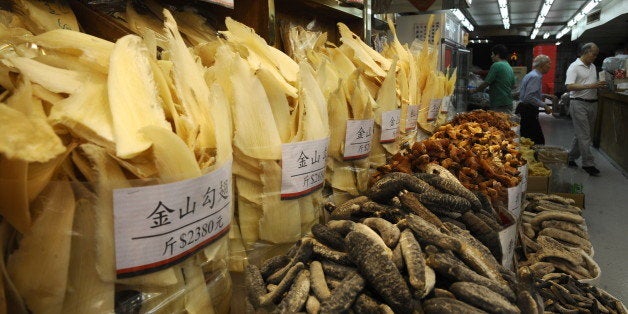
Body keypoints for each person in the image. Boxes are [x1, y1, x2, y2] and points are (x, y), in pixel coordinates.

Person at [565, 43, 607, 176]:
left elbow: (591, 85)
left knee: (581, 134)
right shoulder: (574, 67)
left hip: (593, 103)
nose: (595, 57)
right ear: (585, 52)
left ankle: (570, 157)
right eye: (593, 54)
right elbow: (569, 86)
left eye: (596, 55)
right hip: (579, 104)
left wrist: (598, 86)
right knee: (585, 135)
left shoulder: (593, 66)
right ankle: (588, 164)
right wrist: (591, 85)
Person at [515, 55, 555, 145]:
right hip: (528, 111)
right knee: (536, 141)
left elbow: (529, 93)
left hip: (525, 110)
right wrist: (545, 105)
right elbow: (528, 97)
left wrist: (544, 95)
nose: (550, 66)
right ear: (542, 65)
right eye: (548, 63)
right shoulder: (536, 77)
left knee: (528, 139)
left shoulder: (531, 74)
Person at [471, 44, 516, 113]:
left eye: (492, 54)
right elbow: (513, 85)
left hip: (499, 103)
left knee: (498, 123)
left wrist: (474, 91)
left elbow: (486, 83)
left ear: (497, 55)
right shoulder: (508, 66)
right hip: (508, 103)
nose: (491, 56)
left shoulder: (496, 65)